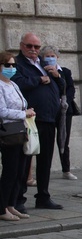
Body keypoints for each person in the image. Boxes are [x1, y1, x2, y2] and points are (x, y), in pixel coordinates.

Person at [11, 32, 63, 210]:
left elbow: (61, 87)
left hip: (48, 118)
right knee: (24, 161)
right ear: (21, 46)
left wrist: (56, 76)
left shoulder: (43, 63)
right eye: (29, 46)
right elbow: (17, 83)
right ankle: (19, 199)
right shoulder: (16, 64)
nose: (33, 50)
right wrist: (39, 79)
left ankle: (43, 196)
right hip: (30, 120)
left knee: (45, 160)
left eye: (36, 47)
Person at [0, 52, 37, 221]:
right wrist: (23, 114)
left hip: (21, 131)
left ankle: (11, 204)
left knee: (20, 172)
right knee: (10, 171)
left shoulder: (13, 84)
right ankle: (2, 209)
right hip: (8, 132)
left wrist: (28, 112)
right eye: (7, 65)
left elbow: (23, 103)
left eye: (13, 65)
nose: (11, 68)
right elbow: (2, 111)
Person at [41, 46, 78, 180]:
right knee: (47, 141)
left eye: (53, 56)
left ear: (57, 57)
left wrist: (64, 101)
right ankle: (45, 170)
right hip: (49, 111)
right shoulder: (40, 71)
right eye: (47, 56)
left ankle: (66, 170)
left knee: (63, 139)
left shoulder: (65, 72)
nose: (50, 58)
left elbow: (70, 89)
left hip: (64, 110)